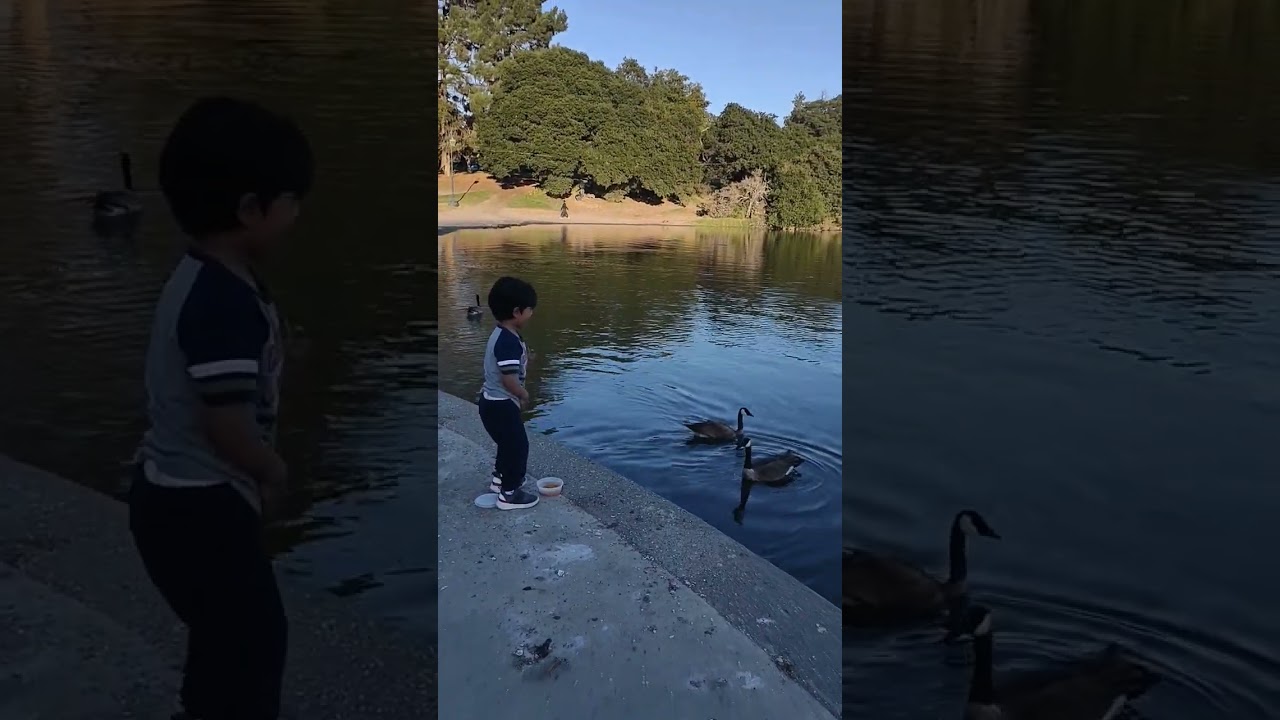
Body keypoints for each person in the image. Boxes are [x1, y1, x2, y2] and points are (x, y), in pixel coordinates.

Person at [128, 96, 312, 720]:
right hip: (198, 506)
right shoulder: (221, 302)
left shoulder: (208, 273)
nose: (297, 215)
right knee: (255, 642)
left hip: (171, 496)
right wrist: (271, 469)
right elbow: (224, 423)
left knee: (224, 636)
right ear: (251, 209)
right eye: (292, 201)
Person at [479, 276, 540, 510]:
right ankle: (509, 494)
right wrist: (523, 394)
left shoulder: (503, 334)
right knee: (518, 447)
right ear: (517, 312)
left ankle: (499, 481)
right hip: (501, 404)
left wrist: (527, 360)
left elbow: (506, 365)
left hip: (490, 402)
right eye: (529, 310)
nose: (531, 314)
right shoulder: (508, 342)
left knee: (506, 444)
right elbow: (508, 380)